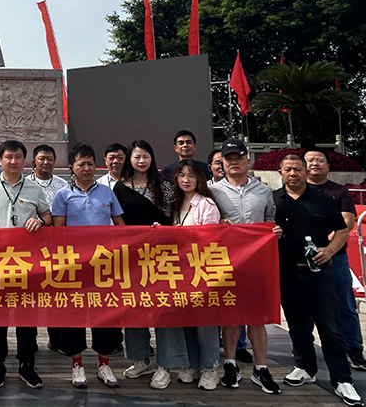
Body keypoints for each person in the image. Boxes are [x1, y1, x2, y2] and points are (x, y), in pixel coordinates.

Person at [273, 154, 363, 407]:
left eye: (297, 169)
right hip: (287, 272)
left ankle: (342, 379)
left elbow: (343, 230)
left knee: (330, 328)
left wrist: (330, 250)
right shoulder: (272, 200)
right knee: (297, 325)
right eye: (288, 170)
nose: (293, 174)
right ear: (280, 173)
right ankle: (304, 367)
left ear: (305, 172)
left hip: (319, 272)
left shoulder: (323, 200)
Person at [0, 140, 51, 389]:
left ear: (24, 160)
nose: (13, 161)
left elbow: (47, 215)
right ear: (0, 160)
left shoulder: (33, 188)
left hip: (26, 262)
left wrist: (40, 222)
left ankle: (26, 365)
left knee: (26, 315)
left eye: (18, 157)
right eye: (8, 157)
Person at [112, 140, 186, 389]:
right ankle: (141, 358)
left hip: (161, 254)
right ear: (129, 160)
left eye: (145, 156)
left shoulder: (164, 184)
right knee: (133, 307)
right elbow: (117, 220)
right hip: (132, 256)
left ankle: (166, 364)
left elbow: (170, 217)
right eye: (137, 157)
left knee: (163, 309)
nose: (141, 161)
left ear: (152, 158)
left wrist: (159, 230)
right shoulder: (121, 187)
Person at [208, 137, 280, 394]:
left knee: (257, 316)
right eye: (228, 159)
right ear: (222, 164)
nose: (234, 163)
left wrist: (274, 231)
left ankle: (261, 368)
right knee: (230, 314)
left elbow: (270, 217)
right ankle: (230, 364)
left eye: (238, 158)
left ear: (248, 161)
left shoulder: (263, 190)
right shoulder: (212, 191)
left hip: (257, 261)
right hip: (226, 262)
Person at [51, 143, 125, 390]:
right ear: (71, 167)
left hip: (103, 265)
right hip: (74, 265)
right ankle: (77, 365)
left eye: (90, 163)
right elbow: (58, 231)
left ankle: (104, 364)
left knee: (105, 315)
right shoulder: (63, 195)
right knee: (74, 316)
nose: (86, 168)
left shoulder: (107, 193)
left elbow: (120, 226)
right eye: (81, 164)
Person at [304, 147, 366, 371]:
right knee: (305, 306)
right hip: (303, 258)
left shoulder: (339, 191)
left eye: (320, 160)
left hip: (335, 257)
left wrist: (328, 247)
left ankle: (354, 348)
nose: (315, 163)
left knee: (344, 304)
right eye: (310, 160)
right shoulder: (295, 191)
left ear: (328, 166)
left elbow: (347, 222)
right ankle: (304, 348)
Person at [170, 160, 222, 391]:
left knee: (205, 321)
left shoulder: (206, 204)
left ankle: (210, 367)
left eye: (191, 175)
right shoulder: (175, 203)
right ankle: (191, 364)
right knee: (187, 320)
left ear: (199, 178)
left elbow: (210, 239)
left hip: (201, 270)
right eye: (181, 175)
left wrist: (182, 236)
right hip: (179, 271)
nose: (186, 180)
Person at [25, 144, 67, 353]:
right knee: (30, 295)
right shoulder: (25, 184)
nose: (46, 162)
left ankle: (56, 339)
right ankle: (29, 340)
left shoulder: (63, 185)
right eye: (42, 158)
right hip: (30, 248)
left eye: (50, 158)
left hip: (56, 248)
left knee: (54, 294)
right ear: (34, 161)